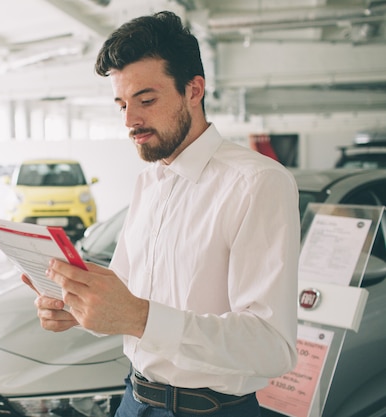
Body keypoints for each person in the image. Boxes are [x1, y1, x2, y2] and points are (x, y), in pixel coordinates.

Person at [22, 10, 300, 417]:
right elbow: (128, 294)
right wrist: (78, 310)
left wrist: (139, 316)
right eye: (121, 105)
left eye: (146, 100)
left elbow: (272, 347)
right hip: (134, 401)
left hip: (212, 410)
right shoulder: (148, 182)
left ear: (194, 90)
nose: (131, 121)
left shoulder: (257, 183)